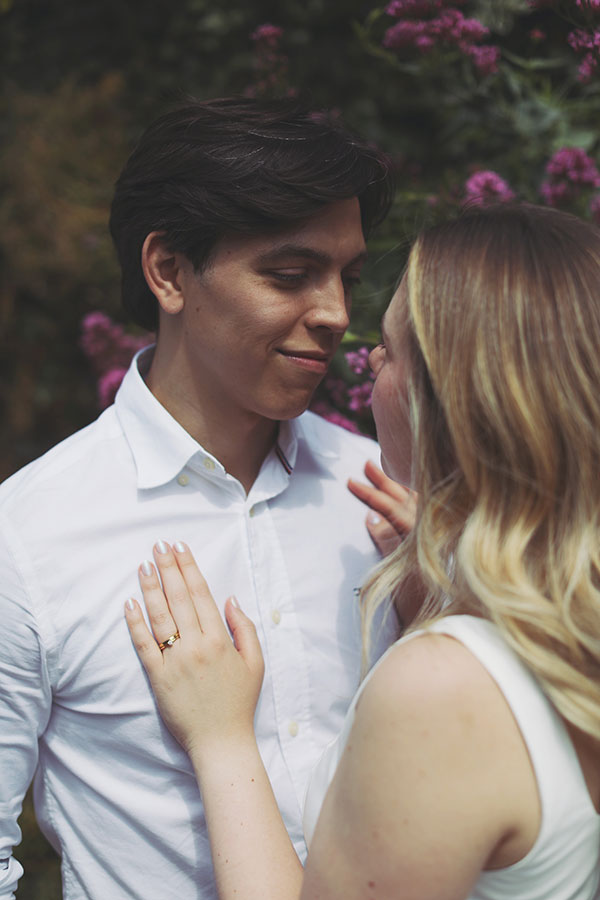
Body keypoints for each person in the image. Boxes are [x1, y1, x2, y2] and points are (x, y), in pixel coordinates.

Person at [126, 203, 600, 900]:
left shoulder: (440, 690)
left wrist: (222, 737)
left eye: (391, 350)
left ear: (452, 403)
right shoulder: (562, 627)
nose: (360, 353)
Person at [0, 97, 409, 900]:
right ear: (168, 271)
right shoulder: (26, 539)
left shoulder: (392, 501)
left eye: (349, 279)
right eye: (289, 275)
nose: (334, 314)